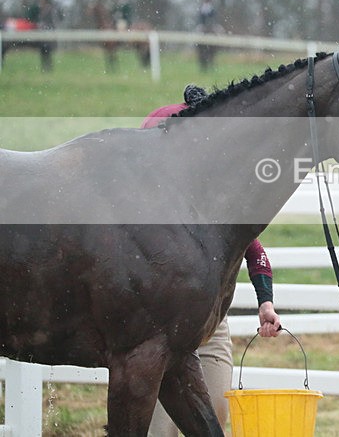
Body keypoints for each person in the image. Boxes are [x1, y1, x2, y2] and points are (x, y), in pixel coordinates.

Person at [143, 84, 282, 437]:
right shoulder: (148, 207)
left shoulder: (217, 205)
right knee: (161, 429)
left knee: (215, 415)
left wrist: (265, 302)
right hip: (157, 327)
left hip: (208, 325)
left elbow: (255, 248)